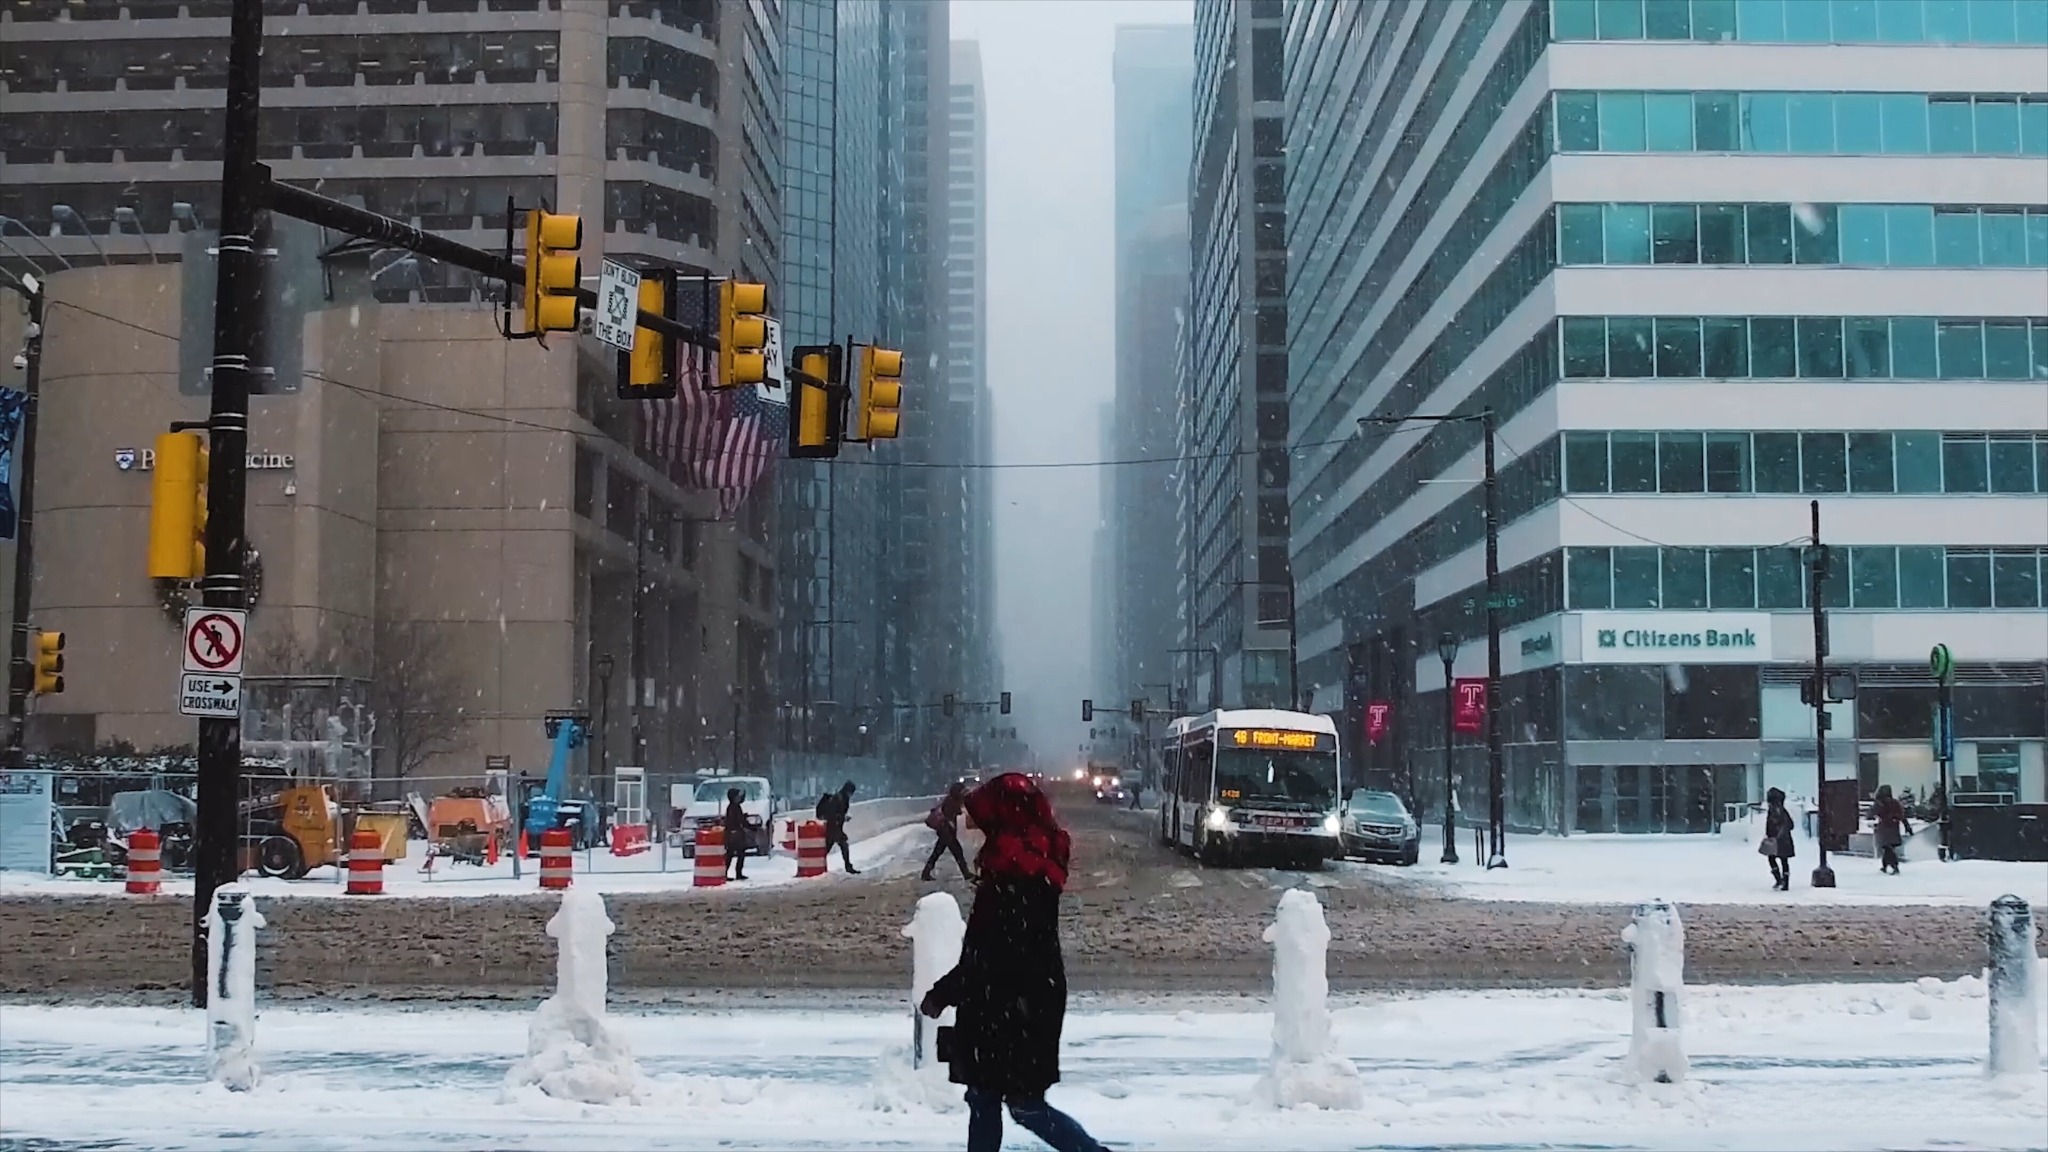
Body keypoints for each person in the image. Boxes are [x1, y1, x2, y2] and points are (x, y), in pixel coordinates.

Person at [920, 773, 1106, 1152]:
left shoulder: (1012, 872)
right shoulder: (1027, 858)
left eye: (981, 815)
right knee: (993, 1099)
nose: (973, 823)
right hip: (1023, 1002)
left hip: (1010, 1009)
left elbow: (989, 955)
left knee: (1019, 1105)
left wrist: (943, 993)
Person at [921, 781, 974, 883]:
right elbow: (954, 814)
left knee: (938, 852)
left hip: (944, 831)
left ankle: (926, 872)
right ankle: (966, 874)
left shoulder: (950, 799)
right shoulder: (952, 802)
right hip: (946, 831)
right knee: (957, 851)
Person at [816, 780, 859, 874]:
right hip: (833, 828)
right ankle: (848, 866)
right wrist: (843, 817)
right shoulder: (838, 798)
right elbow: (833, 814)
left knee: (826, 849)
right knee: (843, 845)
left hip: (834, 828)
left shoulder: (842, 798)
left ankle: (816, 866)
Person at [1759, 787, 1795, 891]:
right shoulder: (1782, 811)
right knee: (1783, 860)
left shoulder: (1774, 811)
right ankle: (1784, 881)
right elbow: (1790, 825)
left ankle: (1779, 880)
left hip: (1777, 840)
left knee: (1773, 858)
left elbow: (1772, 825)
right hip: (1784, 840)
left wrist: (1773, 835)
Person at [1873, 784, 1912, 875]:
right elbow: (1902, 816)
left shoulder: (1880, 803)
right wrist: (1907, 827)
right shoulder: (1895, 803)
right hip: (1893, 828)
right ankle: (1886, 866)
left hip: (1884, 829)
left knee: (1888, 848)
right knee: (1889, 848)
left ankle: (1894, 866)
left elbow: (1872, 813)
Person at [722, 786, 749, 881]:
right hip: (734, 834)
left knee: (737, 854)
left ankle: (737, 873)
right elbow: (734, 821)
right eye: (738, 796)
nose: (739, 798)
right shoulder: (732, 808)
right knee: (732, 855)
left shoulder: (736, 807)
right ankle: (728, 873)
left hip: (735, 834)